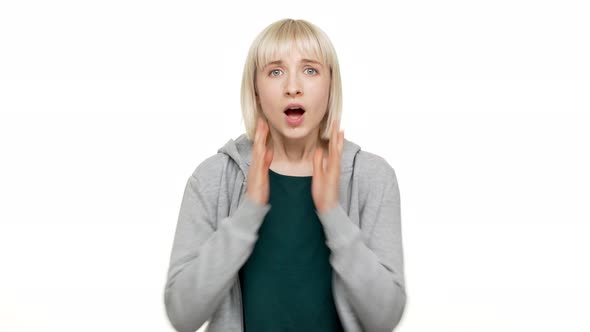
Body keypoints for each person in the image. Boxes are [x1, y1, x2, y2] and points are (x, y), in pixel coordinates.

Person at [164, 18, 406, 332]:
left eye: (310, 70)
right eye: (275, 71)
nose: (293, 86)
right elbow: (182, 315)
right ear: (256, 89)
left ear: (331, 84)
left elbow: (384, 318)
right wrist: (248, 211)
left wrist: (333, 214)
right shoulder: (213, 178)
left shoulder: (372, 177)